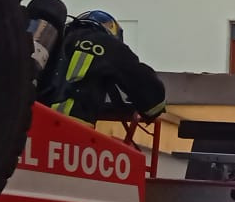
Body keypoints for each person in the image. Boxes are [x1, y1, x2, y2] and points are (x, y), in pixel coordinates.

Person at [38, 8, 166, 125]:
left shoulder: (53, 39)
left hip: (31, 124)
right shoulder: (109, 45)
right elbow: (146, 88)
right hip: (71, 130)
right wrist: (154, 109)